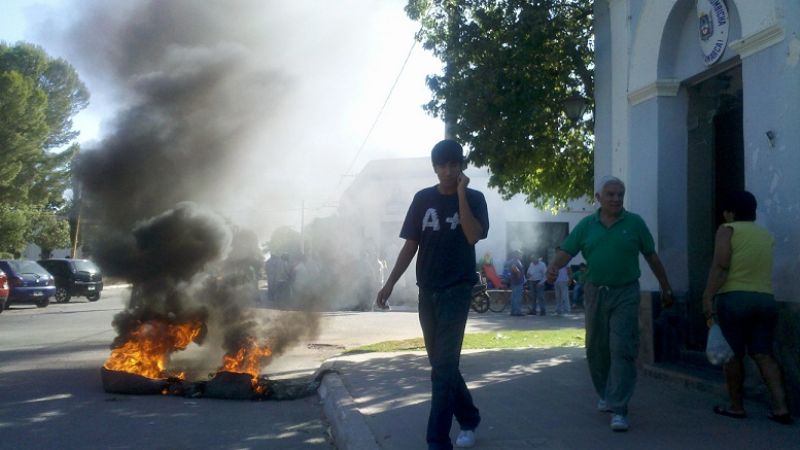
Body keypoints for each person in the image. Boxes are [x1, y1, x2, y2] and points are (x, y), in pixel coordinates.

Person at [377, 139, 489, 449]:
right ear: (435, 168)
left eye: (454, 165)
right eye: (442, 165)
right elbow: (410, 245)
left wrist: (462, 194)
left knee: (442, 368)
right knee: (442, 365)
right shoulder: (422, 199)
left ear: (461, 166)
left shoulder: (476, 199)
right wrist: (389, 283)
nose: (448, 171)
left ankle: (437, 441)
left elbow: (471, 234)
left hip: (458, 290)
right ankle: (469, 417)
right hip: (427, 291)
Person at [546, 176, 674, 432]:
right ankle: (605, 392)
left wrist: (665, 285)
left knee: (621, 347)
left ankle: (619, 408)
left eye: (620, 194)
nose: (616, 199)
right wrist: (553, 267)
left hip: (625, 292)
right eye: (611, 194)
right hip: (595, 292)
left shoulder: (634, 223)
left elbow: (651, 256)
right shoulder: (587, 225)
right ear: (598, 198)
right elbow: (567, 250)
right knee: (596, 348)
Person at [702, 191, 793, 424]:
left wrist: (708, 296)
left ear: (730, 213)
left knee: (733, 355)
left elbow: (721, 265)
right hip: (765, 299)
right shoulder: (766, 236)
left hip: (734, 299)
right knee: (764, 354)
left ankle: (736, 406)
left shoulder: (727, 230)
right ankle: (781, 408)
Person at [508, 250, 526, 316]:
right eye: (520, 254)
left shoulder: (515, 261)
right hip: (517, 282)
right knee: (517, 297)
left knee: (514, 297)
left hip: (515, 282)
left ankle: (513, 311)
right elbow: (514, 268)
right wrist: (518, 274)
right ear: (517, 255)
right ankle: (517, 311)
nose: (521, 256)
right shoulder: (515, 261)